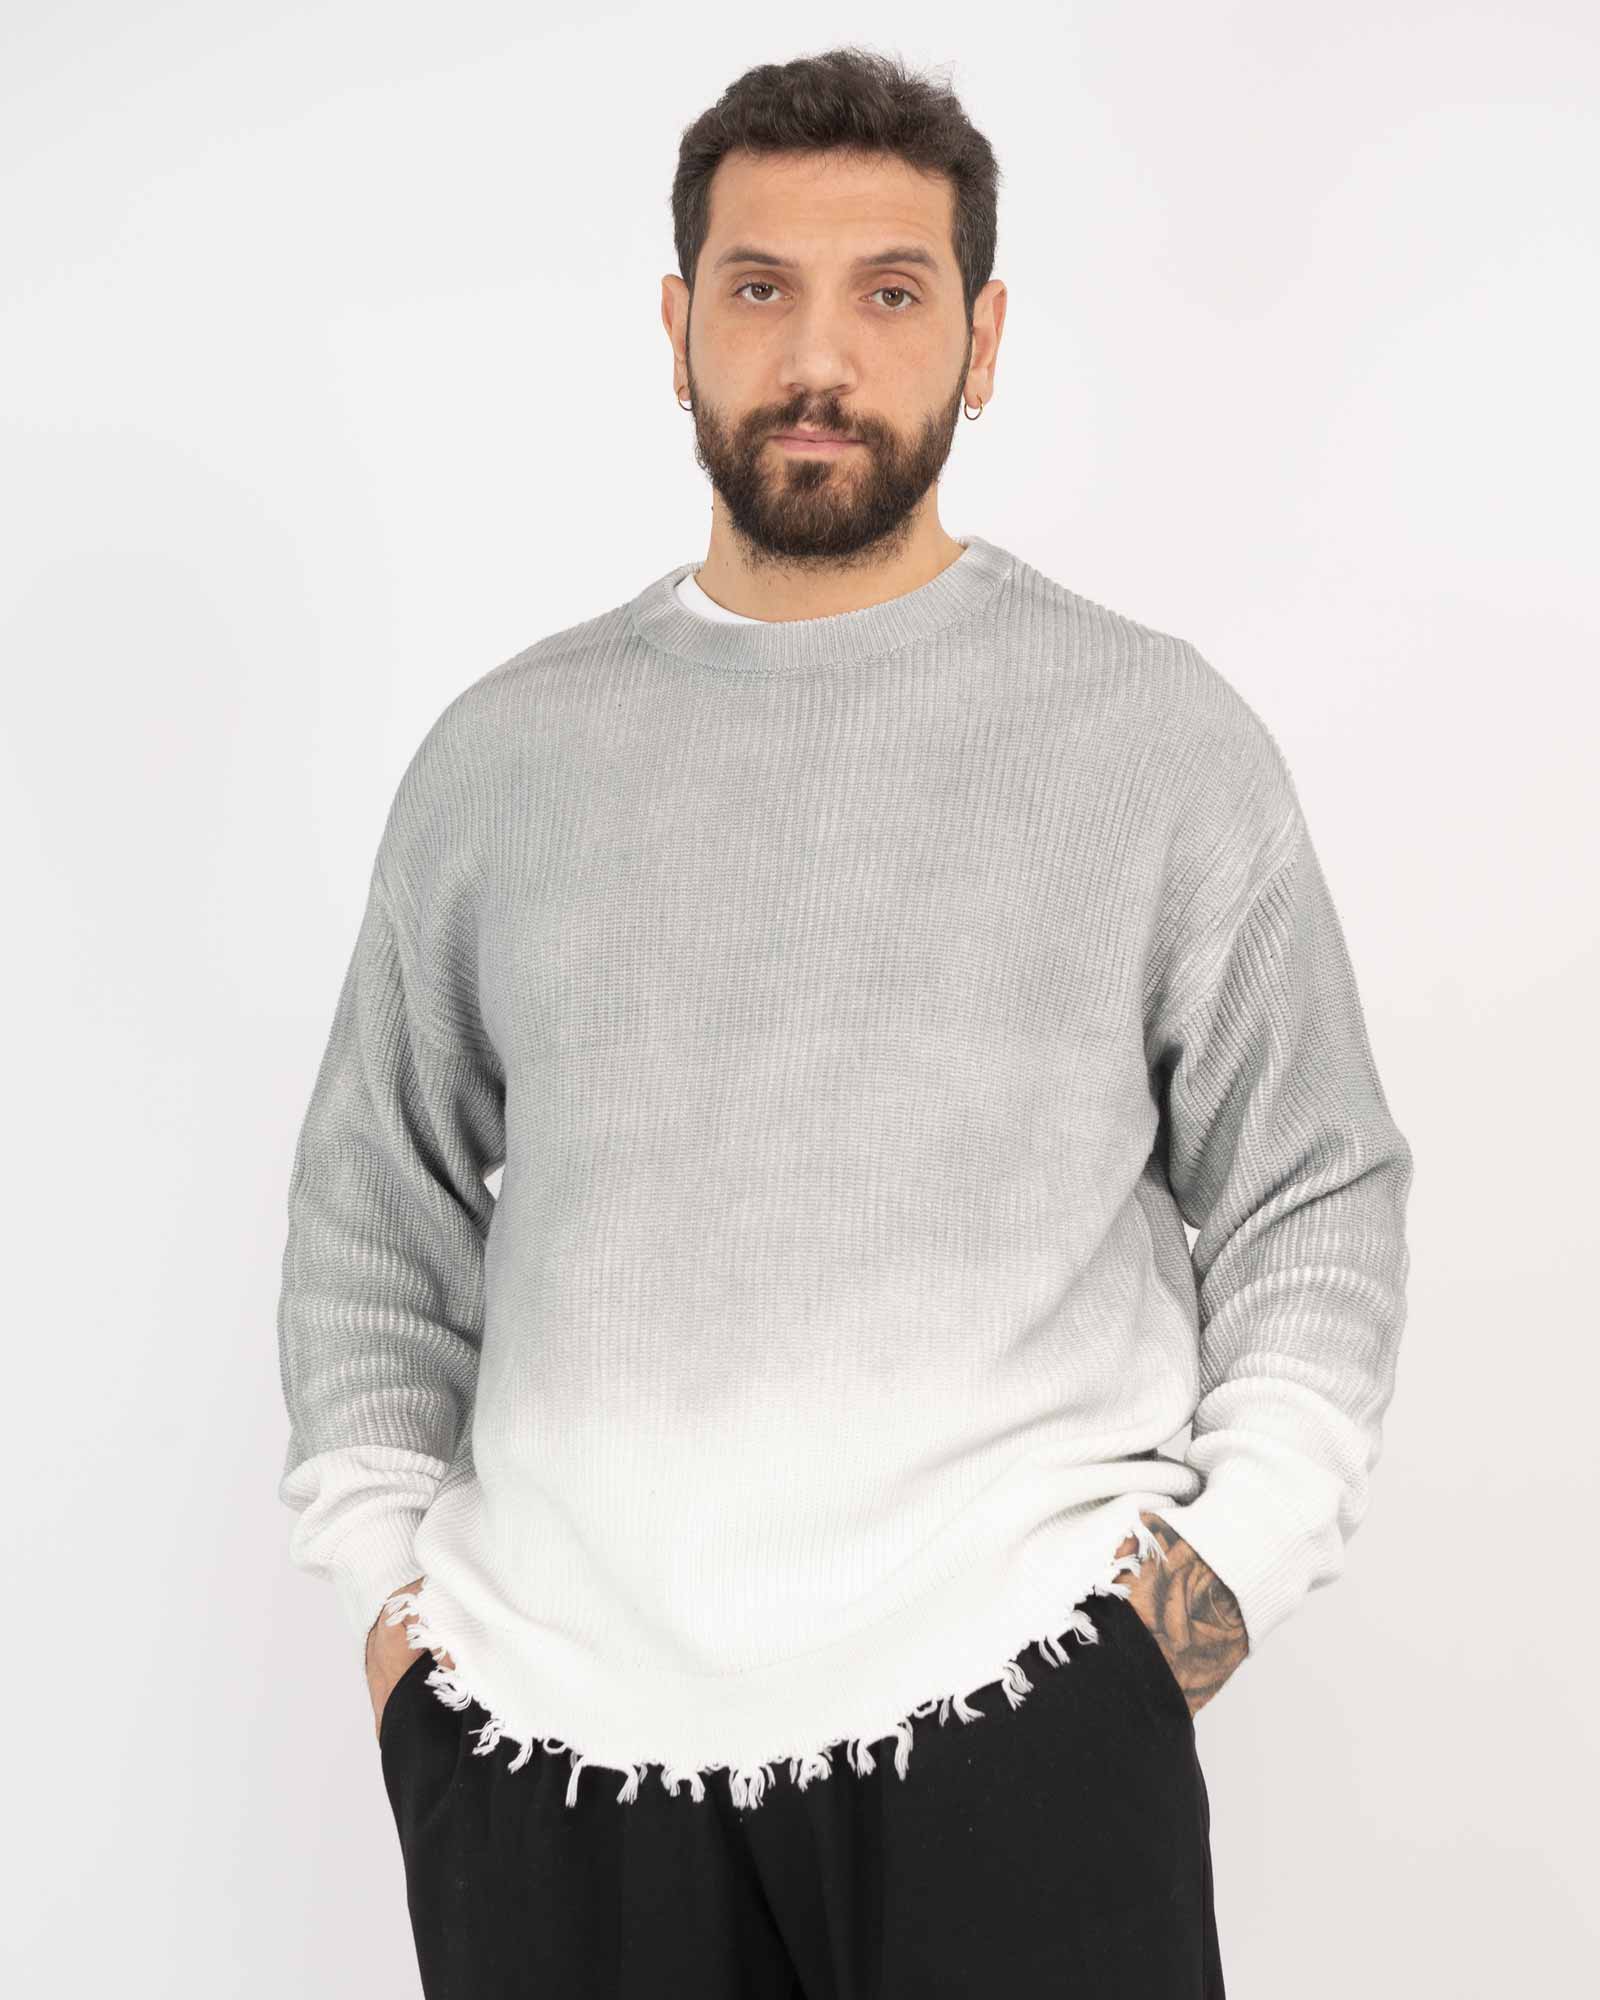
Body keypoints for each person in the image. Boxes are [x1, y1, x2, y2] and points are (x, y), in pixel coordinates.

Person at [275, 46, 1413, 1999]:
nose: (818, 356)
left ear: (982, 339)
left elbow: (1313, 1195)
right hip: (549, 1763)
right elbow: (371, 1221)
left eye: (889, 291)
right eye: (759, 288)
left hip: (1025, 1720)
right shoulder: (502, 762)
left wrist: (1184, 1618)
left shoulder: (1147, 739)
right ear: (676, 330)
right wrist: (401, 1630)